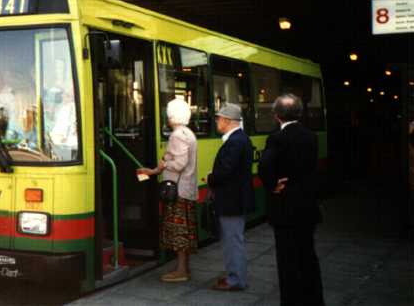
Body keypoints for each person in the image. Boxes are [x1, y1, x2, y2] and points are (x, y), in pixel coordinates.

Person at [259, 94, 324, 306]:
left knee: (287, 260)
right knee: (308, 256)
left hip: (285, 209)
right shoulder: (310, 136)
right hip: (307, 207)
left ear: (277, 115)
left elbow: (265, 167)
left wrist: (272, 185)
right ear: (299, 113)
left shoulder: (276, 138)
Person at [138, 97, 198, 282]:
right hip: (187, 189)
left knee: (178, 232)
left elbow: (179, 163)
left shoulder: (176, 135)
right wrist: (155, 169)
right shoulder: (189, 133)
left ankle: (181, 271)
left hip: (177, 191)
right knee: (185, 231)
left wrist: (164, 164)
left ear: (171, 116)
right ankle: (184, 268)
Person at [207, 103, 255, 291]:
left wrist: (211, 176)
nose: (217, 122)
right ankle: (234, 276)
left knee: (232, 242)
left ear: (227, 120)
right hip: (234, 199)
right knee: (233, 240)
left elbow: (226, 171)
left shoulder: (235, 141)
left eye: (218, 118)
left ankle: (235, 280)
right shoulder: (240, 139)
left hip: (231, 201)